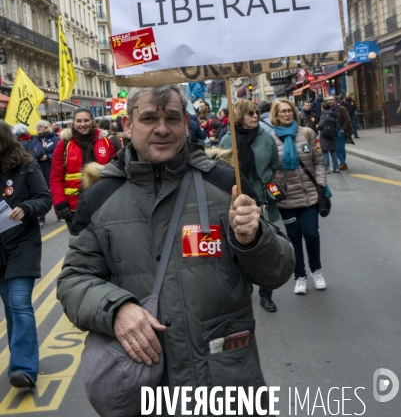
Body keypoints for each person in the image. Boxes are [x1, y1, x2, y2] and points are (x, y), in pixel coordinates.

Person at [57, 85, 294, 411]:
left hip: (227, 385)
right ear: (128, 125)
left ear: (185, 122)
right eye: (149, 118)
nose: (162, 128)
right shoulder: (100, 198)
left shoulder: (226, 185)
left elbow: (278, 270)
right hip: (147, 390)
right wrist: (115, 309)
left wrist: (252, 239)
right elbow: (73, 281)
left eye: (172, 118)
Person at [0, 121, 52, 389]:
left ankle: (23, 369)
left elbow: (45, 198)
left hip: (22, 244)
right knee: (10, 307)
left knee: (19, 303)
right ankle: (22, 357)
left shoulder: (26, 165)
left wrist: (26, 207)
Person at [219, 100, 280, 312]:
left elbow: (274, 164)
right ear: (239, 116)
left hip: (261, 200)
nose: (256, 116)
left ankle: (266, 294)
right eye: (250, 113)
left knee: (263, 246)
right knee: (238, 246)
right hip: (236, 201)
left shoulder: (266, 138)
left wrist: (264, 179)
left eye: (257, 113)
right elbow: (220, 169)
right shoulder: (227, 140)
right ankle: (241, 289)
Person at [270, 98, 327, 294]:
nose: (287, 114)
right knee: (294, 237)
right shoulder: (270, 140)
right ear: (276, 115)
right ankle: (300, 276)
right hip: (287, 201)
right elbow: (267, 173)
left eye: (289, 111)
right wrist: (276, 195)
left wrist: (320, 185)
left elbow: (319, 161)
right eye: (282, 111)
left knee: (312, 234)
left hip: (310, 196)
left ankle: (316, 271)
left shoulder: (308, 133)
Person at [50, 108, 116, 228]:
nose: (83, 124)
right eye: (79, 121)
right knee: (80, 244)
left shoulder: (105, 141)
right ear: (73, 123)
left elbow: (116, 170)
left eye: (86, 120)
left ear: (92, 122)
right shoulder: (64, 144)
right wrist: (60, 203)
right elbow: (55, 177)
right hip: (74, 207)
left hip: (103, 203)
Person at [32, 120, 59, 227]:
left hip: (51, 169)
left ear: (47, 128)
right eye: (38, 126)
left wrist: (48, 157)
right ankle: (41, 216)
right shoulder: (34, 140)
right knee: (41, 192)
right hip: (39, 171)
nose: (39, 128)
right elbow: (31, 154)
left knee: (54, 192)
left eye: (41, 126)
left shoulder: (55, 139)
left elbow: (59, 154)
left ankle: (59, 213)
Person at [318, 102, 339, 174]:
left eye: (321, 107)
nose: (321, 108)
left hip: (324, 135)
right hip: (332, 134)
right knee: (333, 151)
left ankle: (327, 168)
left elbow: (320, 126)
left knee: (325, 151)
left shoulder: (323, 115)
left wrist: (317, 127)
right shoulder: (334, 114)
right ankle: (336, 168)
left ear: (323, 108)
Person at [327, 95, 347, 171]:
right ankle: (343, 163)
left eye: (331, 100)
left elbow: (348, 120)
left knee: (342, 148)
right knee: (336, 148)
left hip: (340, 131)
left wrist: (343, 129)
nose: (329, 101)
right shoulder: (328, 110)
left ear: (335, 101)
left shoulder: (341, 109)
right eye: (329, 100)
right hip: (332, 132)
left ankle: (343, 163)